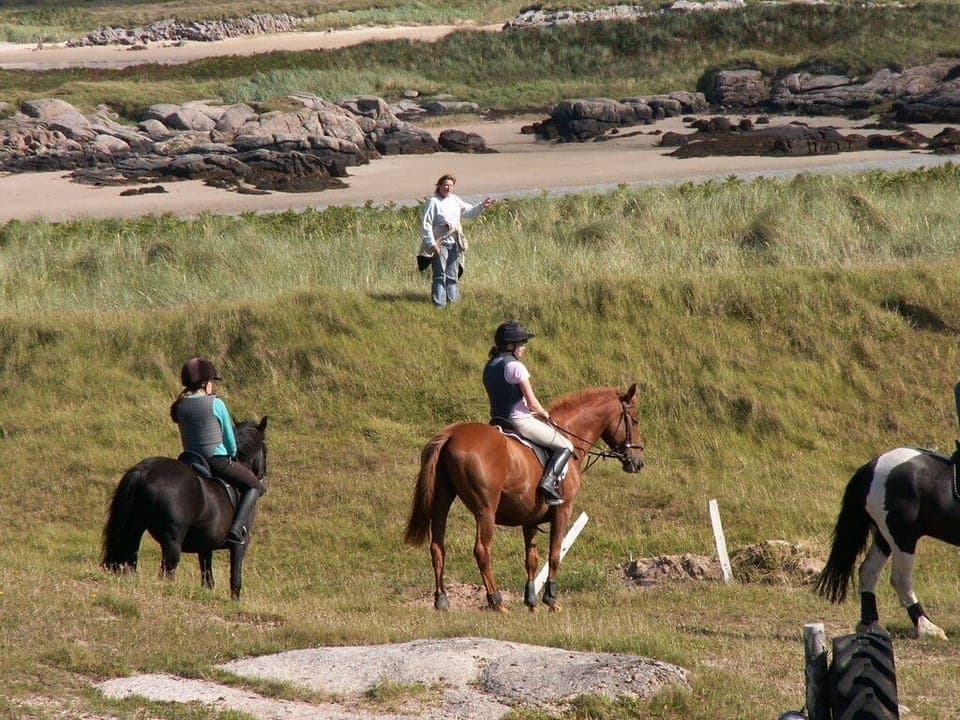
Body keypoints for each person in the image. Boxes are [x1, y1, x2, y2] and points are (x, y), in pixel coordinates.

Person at [170, 357, 265, 545]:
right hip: (216, 460)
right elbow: (229, 439)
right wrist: (232, 454)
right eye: (212, 382)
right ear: (204, 383)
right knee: (255, 486)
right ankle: (237, 529)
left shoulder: (180, 406)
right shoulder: (216, 403)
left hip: (190, 460)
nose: (213, 385)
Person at [482, 321, 574, 505]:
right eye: (521, 344)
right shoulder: (516, 367)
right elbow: (532, 404)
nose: (523, 348)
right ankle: (548, 483)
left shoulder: (490, 365)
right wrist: (544, 413)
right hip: (519, 421)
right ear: (511, 345)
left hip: (497, 421)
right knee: (566, 446)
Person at [419, 173, 495, 308]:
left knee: (452, 275)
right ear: (439, 185)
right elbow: (426, 224)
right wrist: (432, 243)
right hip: (440, 244)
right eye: (445, 185)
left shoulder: (455, 200)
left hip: (455, 243)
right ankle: (439, 305)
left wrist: (483, 205)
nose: (448, 188)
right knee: (439, 275)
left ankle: (453, 304)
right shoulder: (433, 202)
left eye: (450, 185)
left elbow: (469, 212)